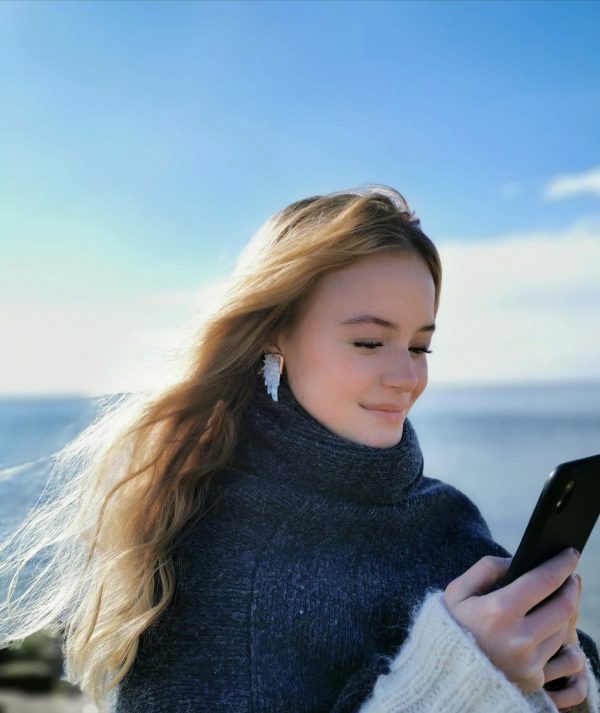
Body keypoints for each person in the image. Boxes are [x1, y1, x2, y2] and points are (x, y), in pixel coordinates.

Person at [0, 186, 598, 713]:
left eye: (420, 347)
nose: (406, 377)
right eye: (369, 341)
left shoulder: (449, 516)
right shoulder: (218, 559)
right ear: (274, 336)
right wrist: (467, 680)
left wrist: (559, 682)